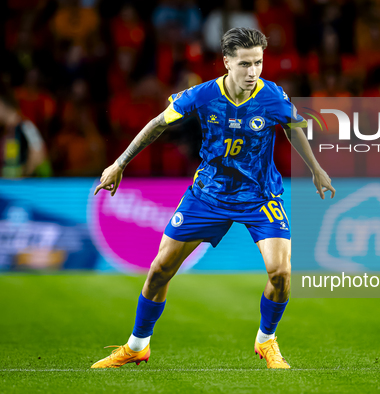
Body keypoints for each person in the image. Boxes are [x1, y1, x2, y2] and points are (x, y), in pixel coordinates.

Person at [91, 27, 335, 369]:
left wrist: (315, 169)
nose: (253, 72)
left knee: (281, 273)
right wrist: (119, 163)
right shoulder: (204, 94)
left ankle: (266, 341)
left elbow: (294, 129)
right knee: (160, 269)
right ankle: (137, 345)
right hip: (208, 195)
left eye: (259, 63)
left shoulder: (273, 97)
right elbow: (158, 124)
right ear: (226, 63)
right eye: (245, 64)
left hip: (259, 196)